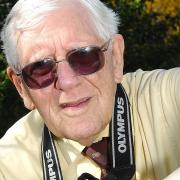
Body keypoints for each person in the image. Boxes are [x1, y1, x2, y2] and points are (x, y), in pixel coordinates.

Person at [0, 0, 180, 179]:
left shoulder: (166, 97)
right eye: (40, 69)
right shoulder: (9, 165)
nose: (67, 82)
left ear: (116, 57)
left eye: (84, 56)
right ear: (21, 87)